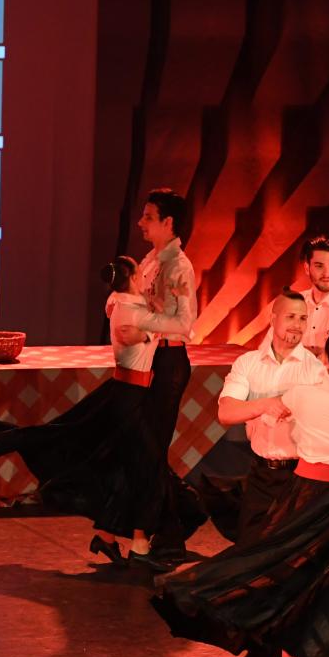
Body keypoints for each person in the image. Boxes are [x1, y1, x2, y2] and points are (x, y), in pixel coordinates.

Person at [152, 327, 329, 657]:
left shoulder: (302, 394)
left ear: (325, 359)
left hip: (303, 494)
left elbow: (255, 410)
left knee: (294, 578)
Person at [0, 257, 190, 569]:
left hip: (130, 394)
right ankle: (139, 546)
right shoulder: (131, 312)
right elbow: (180, 326)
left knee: (124, 466)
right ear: (133, 278)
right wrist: (180, 300)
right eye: (141, 274)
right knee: (148, 467)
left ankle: (108, 536)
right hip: (128, 397)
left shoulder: (124, 303)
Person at [212, 288, 326, 657]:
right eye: (290, 316)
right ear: (273, 318)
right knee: (253, 564)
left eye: (303, 318)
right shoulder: (248, 364)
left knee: (296, 569)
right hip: (262, 475)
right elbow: (227, 412)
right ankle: (260, 651)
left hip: (301, 477)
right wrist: (264, 404)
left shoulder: (313, 369)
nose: (297, 325)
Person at [136, 188, 201, 564]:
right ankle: (166, 524)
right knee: (144, 448)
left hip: (168, 360)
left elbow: (184, 324)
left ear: (168, 222)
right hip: (149, 358)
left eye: (148, 217)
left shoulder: (178, 266)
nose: (141, 223)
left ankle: (169, 530)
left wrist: (142, 317)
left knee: (152, 449)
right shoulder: (151, 259)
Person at [299, 234, 329, 354]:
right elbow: (270, 348)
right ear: (307, 268)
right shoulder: (294, 303)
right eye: (319, 266)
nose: (326, 273)